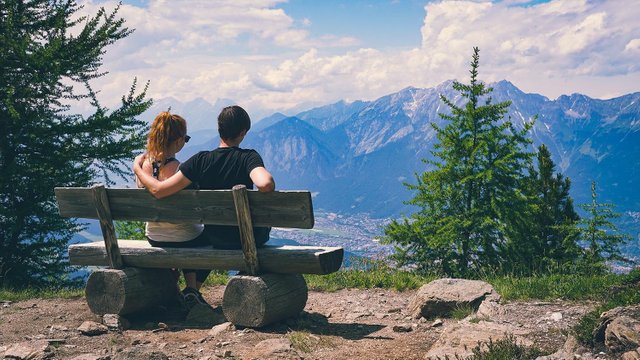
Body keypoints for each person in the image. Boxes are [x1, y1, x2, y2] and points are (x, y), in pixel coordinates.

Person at [133, 105, 275, 293]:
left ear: (219, 129)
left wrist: (137, 168)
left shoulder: (199, 160)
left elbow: (159, 189)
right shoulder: (248, 157)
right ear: (243, 132)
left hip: (214, 236)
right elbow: (265, 183)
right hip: (246, 238)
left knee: (202, 233)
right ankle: (195, 289)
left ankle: (192, 290)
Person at [135, 111, 211, 309]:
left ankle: (182, 288)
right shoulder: (180, 169)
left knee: (186, 233)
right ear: (177, 141)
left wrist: (136, 168)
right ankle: (193, 289)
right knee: (209, 236)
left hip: (153, 235)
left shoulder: (142, 167)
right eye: (185, 139)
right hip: (187, 238)